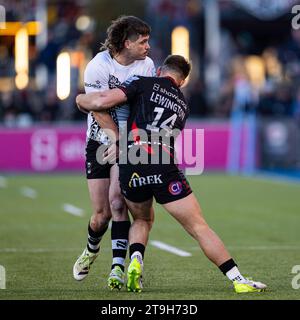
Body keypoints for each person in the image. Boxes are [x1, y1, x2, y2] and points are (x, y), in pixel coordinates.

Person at [76, 55, 267, 294]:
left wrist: (81, 99)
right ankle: (237, 279)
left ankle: (135, 259)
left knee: (142, 219)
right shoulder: (182, 104)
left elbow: (103, 100)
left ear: (158, 71)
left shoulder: (143, 82)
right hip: (162, 164)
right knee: (199, 227)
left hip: (130, 163)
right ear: (183, 82)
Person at [73, 15, 156, 290]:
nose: (148, 46)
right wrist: (115, 139)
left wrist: (130, 143)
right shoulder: (98, 66)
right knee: (101, 215)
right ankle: (91, 249)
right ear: (126, 42)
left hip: (128, 143)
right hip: (100, 141)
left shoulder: (147, 65)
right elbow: (97, 108)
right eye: (142, 41)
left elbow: (143, 107)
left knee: (118, 202)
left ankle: (118, 269)